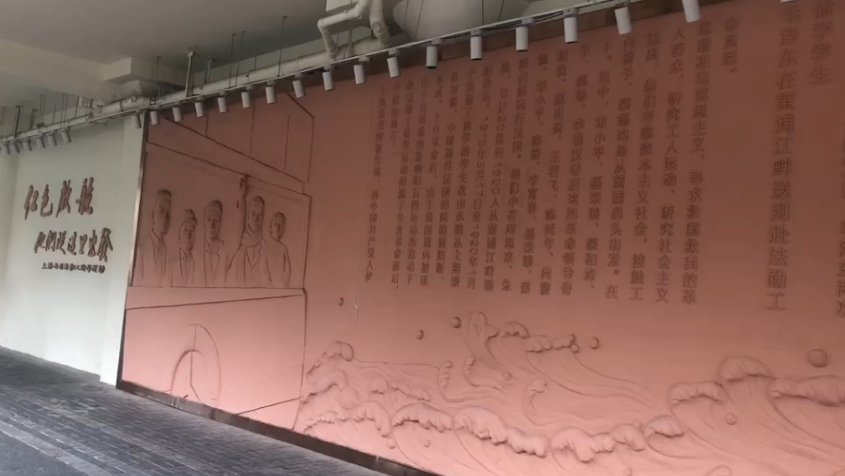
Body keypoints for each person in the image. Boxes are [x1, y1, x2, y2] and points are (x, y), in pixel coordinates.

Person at [227, 178, 271, 287]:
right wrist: (242, 197)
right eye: (253, 214)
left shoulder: (265, 247)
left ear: (263, 218)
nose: (256, 219)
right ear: (248, 217)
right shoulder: (240, 247)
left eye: (259, 215)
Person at [136, 189, 171, 286]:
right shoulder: (141, 249)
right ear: (153, 215)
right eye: (161, 211)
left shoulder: (165, 249)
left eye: (168, 214)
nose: (165, 218)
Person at [202, 200, 228, 287]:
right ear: (203, 222)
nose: (212, 225)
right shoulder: (196, 252)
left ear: (221, 223)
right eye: (208, 219)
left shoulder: (226, 250)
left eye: (216, 220)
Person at [170, 209, 197, 286]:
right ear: (179, 234)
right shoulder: (170, 263)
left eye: (192, 231)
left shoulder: (199, 263)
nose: (188, 235)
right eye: (185, 230)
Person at [268, 212, 292, 288]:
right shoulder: (265, 246)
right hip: (268, 288)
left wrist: (283, 285)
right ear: (271, 227)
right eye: (275, 224)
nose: (278, 228)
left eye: (280, 225)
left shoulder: (283, 248)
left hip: (281, 288)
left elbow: (287, 270)